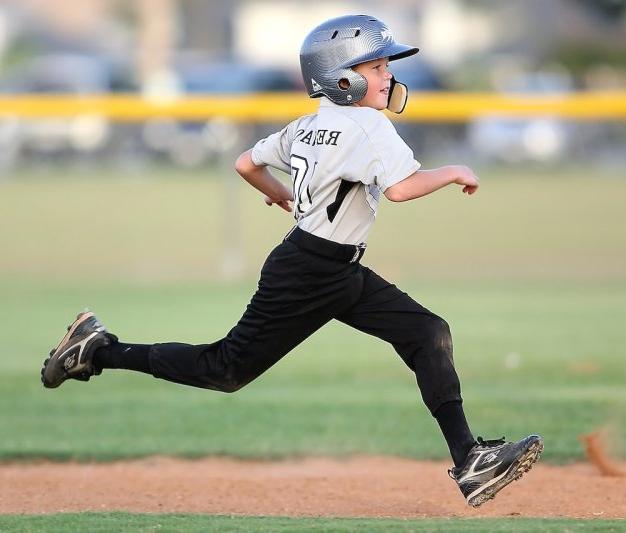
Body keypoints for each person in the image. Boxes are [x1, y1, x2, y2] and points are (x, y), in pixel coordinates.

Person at [41, 14, 542, 508]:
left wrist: (283, 196)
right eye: (376, 66)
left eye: (386, 65)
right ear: (341, 77)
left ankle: (470, 460)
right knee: (225, 369)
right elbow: (402, 189)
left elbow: (246, 163)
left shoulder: (308, 124)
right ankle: (98, 350)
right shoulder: (369, 126)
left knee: (426, 332)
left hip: (327, 266)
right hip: (309, 274)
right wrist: (453, 170)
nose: (387, 74)